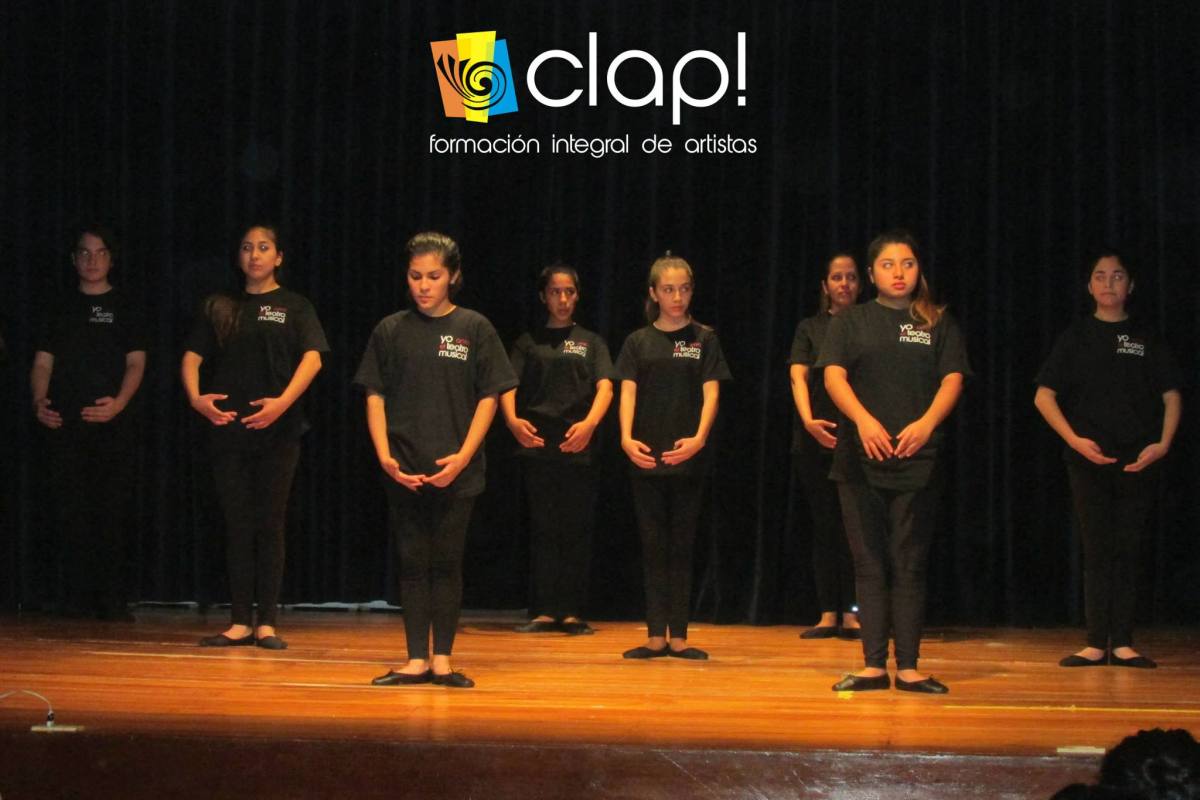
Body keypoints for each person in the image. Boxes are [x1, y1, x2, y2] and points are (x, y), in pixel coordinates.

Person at [354, 231, 517, 688]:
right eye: (415, 276)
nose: (423, 286)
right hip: (403, 467)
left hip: (457, 470)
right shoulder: (390, 330)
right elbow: (374, 394)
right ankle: (415, 659)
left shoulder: (474, 327)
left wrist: (463, 457)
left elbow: (490, 396)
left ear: (453, 277)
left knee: (446, 562)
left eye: (433, 276)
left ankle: (442, 658)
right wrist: (385, 455)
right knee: (411, 562)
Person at [817, 230, 970, 693]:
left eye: (907, 264)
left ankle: (908, 666)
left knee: (909, 562)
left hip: (916, 456)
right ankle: (871, 666)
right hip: (860, 458)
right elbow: (834, 376)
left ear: (919, 270)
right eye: (888, 265)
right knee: (868, 563)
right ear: (871, 274)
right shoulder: (851, 321)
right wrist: (863, 421)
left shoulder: (937, 322)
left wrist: (926, 424)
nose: (899, 273)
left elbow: (952, 379)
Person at [182, 223, 328, 650]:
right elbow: (191, 357)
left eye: (264, 247)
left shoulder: (295, 305)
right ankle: (239, 621)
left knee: (270, 523)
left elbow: (314, 359)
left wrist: (281, 404)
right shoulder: (222, 305)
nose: (255, 255)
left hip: (278, 432)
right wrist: (196, 399)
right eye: (247, 248)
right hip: (229, 430)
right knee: (237, 525)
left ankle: (267, 622)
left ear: (278, 257)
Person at [1034, 250, 1181, 670]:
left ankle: (1124, 642)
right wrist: (1074, 441)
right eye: (1100, 276)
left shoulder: (1146, 337)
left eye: (1117, 276)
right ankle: (1096, 641)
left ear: (1130, 286)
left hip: (1138, 459)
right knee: (1096, 549)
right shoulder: (1076, 336)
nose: (1108, 283)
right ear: (1089, 286)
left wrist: (1163, 444)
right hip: (1088, 460)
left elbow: (1171, 395)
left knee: (1128, 549)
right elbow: (1043, 396)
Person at [615, 254, 731, 661]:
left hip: (688, 457)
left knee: (682, 545)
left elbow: (712, 393)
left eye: (683, 289)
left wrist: (699, 439)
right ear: (654, 293)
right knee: (652, 546)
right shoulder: (638, 342)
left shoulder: (704, 339)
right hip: (646, 456)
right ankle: (654, 636)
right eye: (668, 289)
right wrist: (626, 438)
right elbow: (627, 392)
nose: (677, 297)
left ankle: (679, 635)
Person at [31, 224, 146, 619]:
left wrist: (119, 404)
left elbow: (136, 363)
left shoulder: (127, 305)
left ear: (111, 259)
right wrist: (38, 401)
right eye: (84, 253)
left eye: (100, 253)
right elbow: (43, 362)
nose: (92, 260)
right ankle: (73, 598)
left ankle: (112, 599)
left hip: (112, 423)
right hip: (65, 422)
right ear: (73, 259)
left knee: (112, 512)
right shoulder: (58, 306)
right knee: (69, 511)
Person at [501, 265, 614, 636]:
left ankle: (571, 612)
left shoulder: (591, 341)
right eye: (554, 292)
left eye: (569, 292)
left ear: (577, 295)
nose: (562, 299)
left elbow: (606, 387)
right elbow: (507, 384)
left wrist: (590, 425)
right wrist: (513, 422)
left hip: (578, 444)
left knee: (575, 529)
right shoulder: (528, 342)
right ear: (543, 296)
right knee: (544, 529)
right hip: (538, 445)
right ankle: (544, 611)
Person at [789, 253, 862, 640]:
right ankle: (828, 612)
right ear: (825, 285)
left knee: (856, 529)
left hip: (859, 440)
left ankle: (854, 612)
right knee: (824, 526)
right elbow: (798, 377)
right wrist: (808, 421)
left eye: (851, 277)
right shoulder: (811, 327)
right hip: (815, 439)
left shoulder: (867, 324)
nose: (844, 284)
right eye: (837, 277)